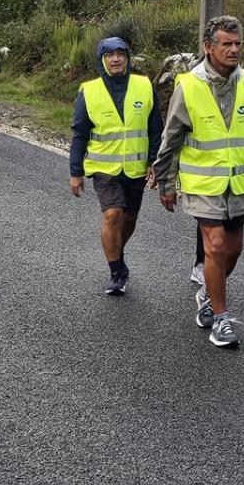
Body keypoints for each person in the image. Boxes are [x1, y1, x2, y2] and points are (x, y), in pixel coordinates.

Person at [154, 15, 244, 348]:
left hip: (238, 182)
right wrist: (166, 182)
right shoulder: (189, 85)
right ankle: (221, 319)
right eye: (226, 43)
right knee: (214, 245)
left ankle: (208, 294)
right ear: (207, 47)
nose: (234, 50)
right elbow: (170, 138)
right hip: (202, 185)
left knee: (234, 248)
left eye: (238, 43)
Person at [69, 37, 163, 295]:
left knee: (129, 220)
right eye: (110, 55)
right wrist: (75, 171)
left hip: (135, 167)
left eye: (121, 53)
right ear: (102, 60)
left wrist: (154, 160)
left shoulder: (144, 86)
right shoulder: (89, 91)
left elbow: (156, 127)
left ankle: (117, 254)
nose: (116, 59)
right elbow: (79, 133)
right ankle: (116, 272)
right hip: (104, 168)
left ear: (127, 58)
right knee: (113, 215)